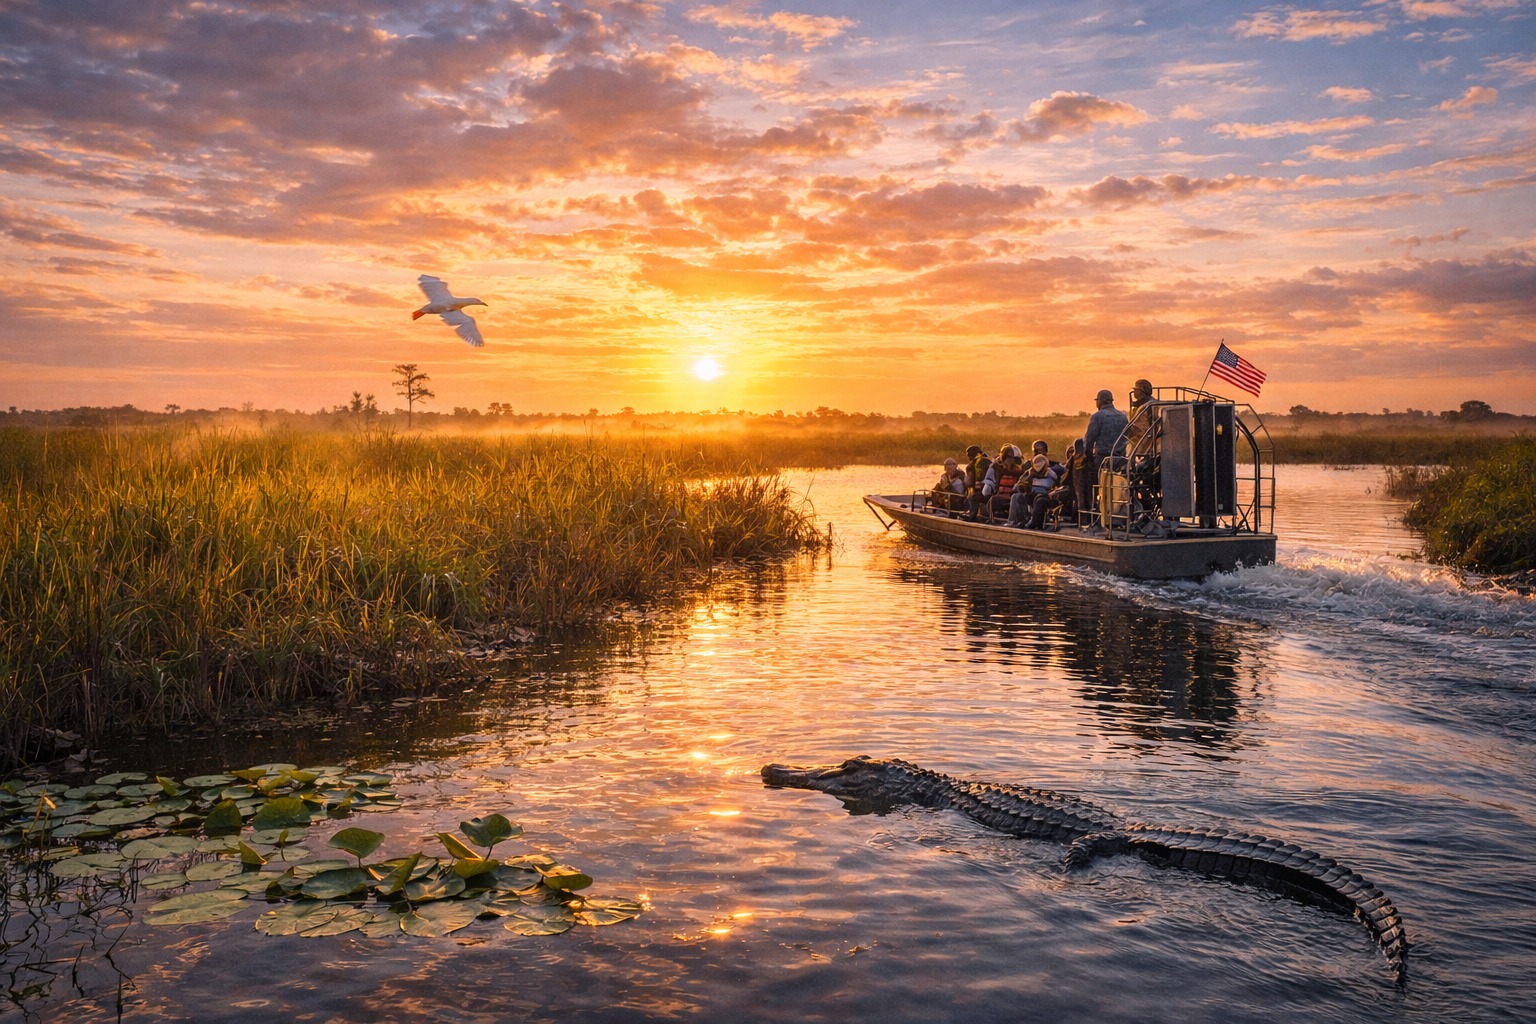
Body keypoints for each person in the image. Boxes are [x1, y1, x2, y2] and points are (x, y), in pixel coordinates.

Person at [1083, 389, 1128, 509]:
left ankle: (1092, 511)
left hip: (1103, 459)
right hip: (1122, 459)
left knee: (1091, 483)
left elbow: (1089, 440)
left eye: (1097, 401)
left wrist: (1087, 457)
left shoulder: (1098, 416)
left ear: (1101, 401)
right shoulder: (1123, 417)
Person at [1010, 453, 1058, 528]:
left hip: (1045, 495)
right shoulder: (1030, 472)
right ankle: (1023, 519)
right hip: (1032, 493)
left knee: (1038, 499)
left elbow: (1056, 485)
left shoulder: (1051, 474)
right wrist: (1030, 476)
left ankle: (1034, 521)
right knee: (1020, 497)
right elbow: (1017, 486)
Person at [980, 444, 1025, 521]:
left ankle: (990, 517)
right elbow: (988, 487)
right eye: (1008, 458)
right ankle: (986, 515)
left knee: (993, 499)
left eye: (1012, 459)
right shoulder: (998, 470)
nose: (1010, 461)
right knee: (981, 497)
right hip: (1000, 494)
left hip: (1011, 496)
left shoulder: (1019, 472)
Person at [963, 444, 991, 521]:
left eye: (970, 455)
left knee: (973, 497)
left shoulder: (977, 464)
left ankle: (971, 516)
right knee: (968, 498)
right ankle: (970, 512)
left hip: (984, 490)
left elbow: (975, 481)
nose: (969, 457)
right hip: (986, 489)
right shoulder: (987, 460)